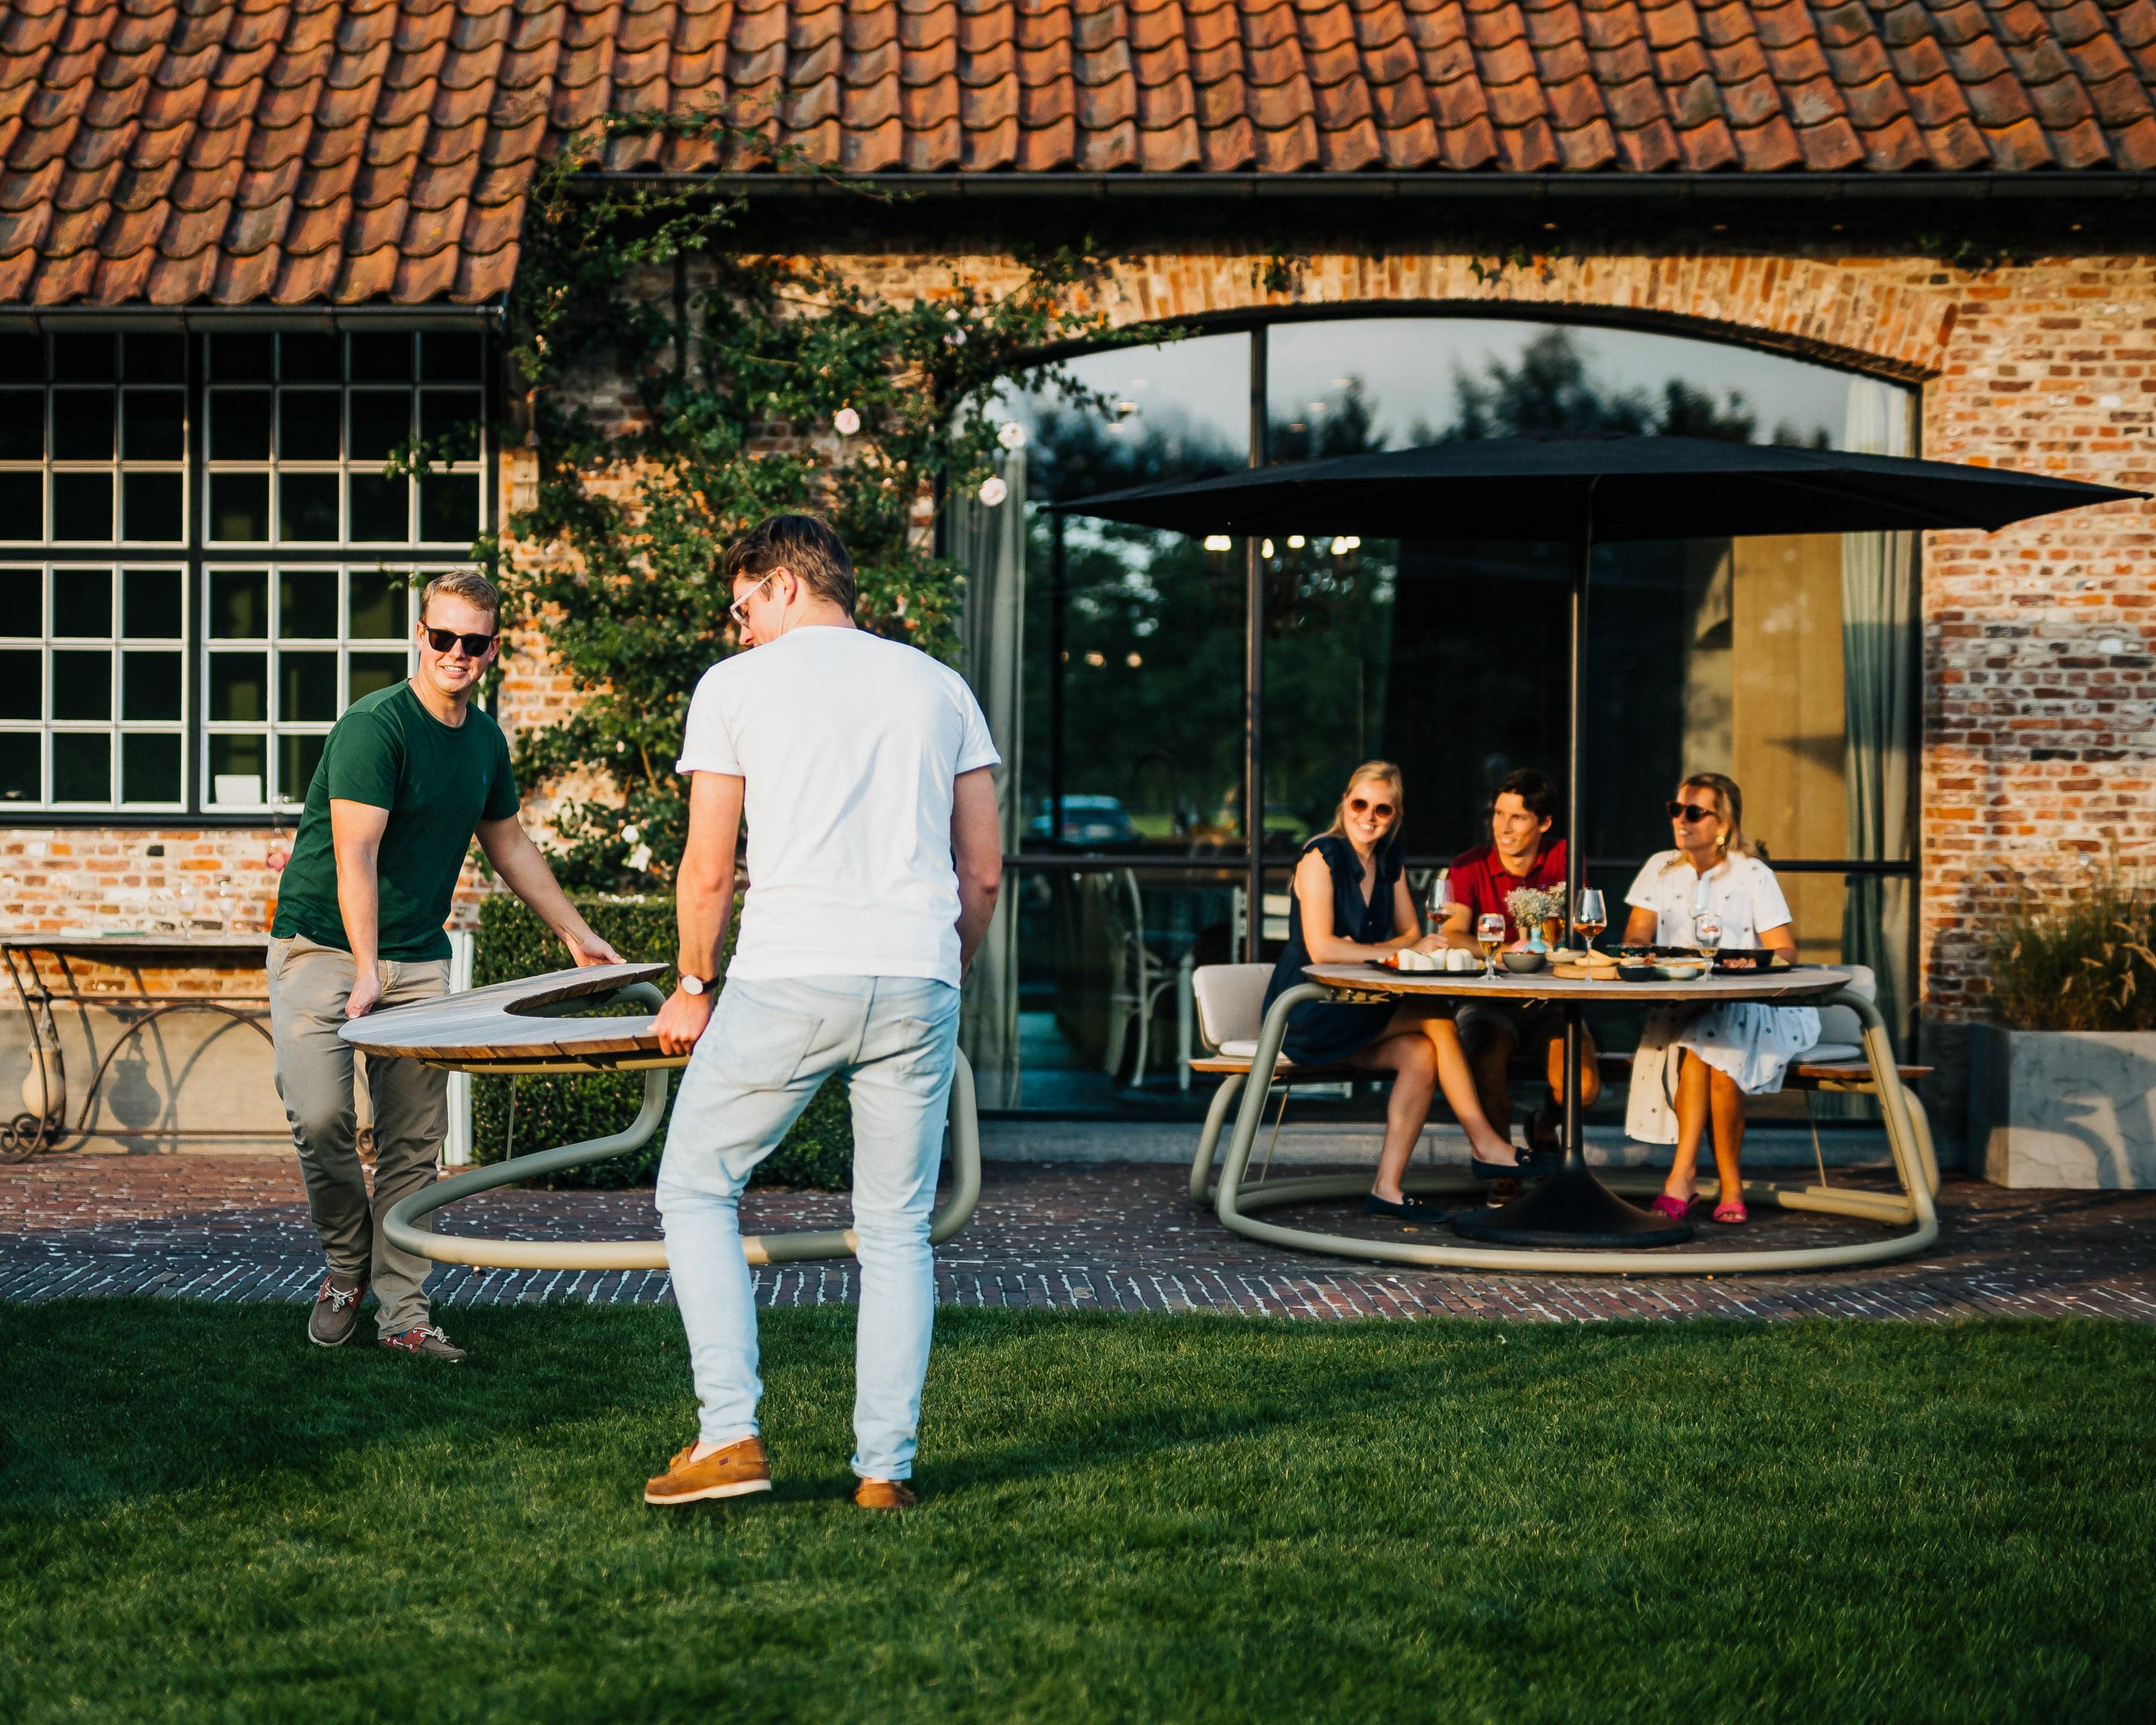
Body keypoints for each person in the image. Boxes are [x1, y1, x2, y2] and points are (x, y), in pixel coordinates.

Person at [643, 515, 1002, 1515]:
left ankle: (729, 1435)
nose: (740, 626)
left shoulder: (737, 689)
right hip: (917, 977)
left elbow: (709, 867)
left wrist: (694, 983)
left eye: (743, 605)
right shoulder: (941, 687)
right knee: (894, 1230)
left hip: (794, 972)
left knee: (697, 1185)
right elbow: (982, 873)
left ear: (783, 585)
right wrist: (945, 972)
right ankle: (884, 1472)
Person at [268, 570, 623, 1360]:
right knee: (321, 1119)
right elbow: (355, 856)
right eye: (442, 637)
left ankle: (403, 1317)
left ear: (492, 649)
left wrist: (578, 933)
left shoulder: (486, 741)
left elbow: (509, 843)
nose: (455, 653)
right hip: (324, 949)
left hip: (420, 961)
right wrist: (367, 970)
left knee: (412, 1147)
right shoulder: (375, 728)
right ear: (417, 636)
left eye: (473, 641)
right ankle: (343, 1266)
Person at [1262, 761, 1530, 1223]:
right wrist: (1379, 949)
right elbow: (1320, 947)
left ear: (1395, 815)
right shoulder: (1319, 858)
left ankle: (1387, 1188)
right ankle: (1485, 1143)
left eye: (1382, 810)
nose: (1369, 816)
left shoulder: (1388, 861)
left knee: (1422, 1054)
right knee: (1433, 1013)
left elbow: (1414, 934)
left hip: (1357, 1007)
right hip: (1309, 1010)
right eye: (1360, 804)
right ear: (1345, 803)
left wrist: (1363, 949)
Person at [1620, 772, 1816, 1225]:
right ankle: (1729, 1186)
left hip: (1754, 1007)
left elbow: (1785, 951)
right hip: (1683, 1006)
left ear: (1723, 823)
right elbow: (1635, 937)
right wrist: (1644, 951)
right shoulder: (1660, 867)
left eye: (1694, 812)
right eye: (1675, 810)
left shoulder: (1752, 874)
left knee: (1708, 1048)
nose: (1681, 821)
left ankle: (1682, 1177)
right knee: (1707, 1046)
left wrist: (1750, 963)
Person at [1440, 768, 1601, 1152]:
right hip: (1488, 999)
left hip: (1551, 1002)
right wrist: (1502, 952)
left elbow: (1577, 929)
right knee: (1485, 1063)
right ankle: (1502, 1166)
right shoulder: (1470, 864)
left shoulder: (1563, 856)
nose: (1504, 827)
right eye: (1498, 814)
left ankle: (1543, 1122)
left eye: (1517, 817)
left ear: (1544, 822)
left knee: (1584, 1087)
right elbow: (1451, 934)